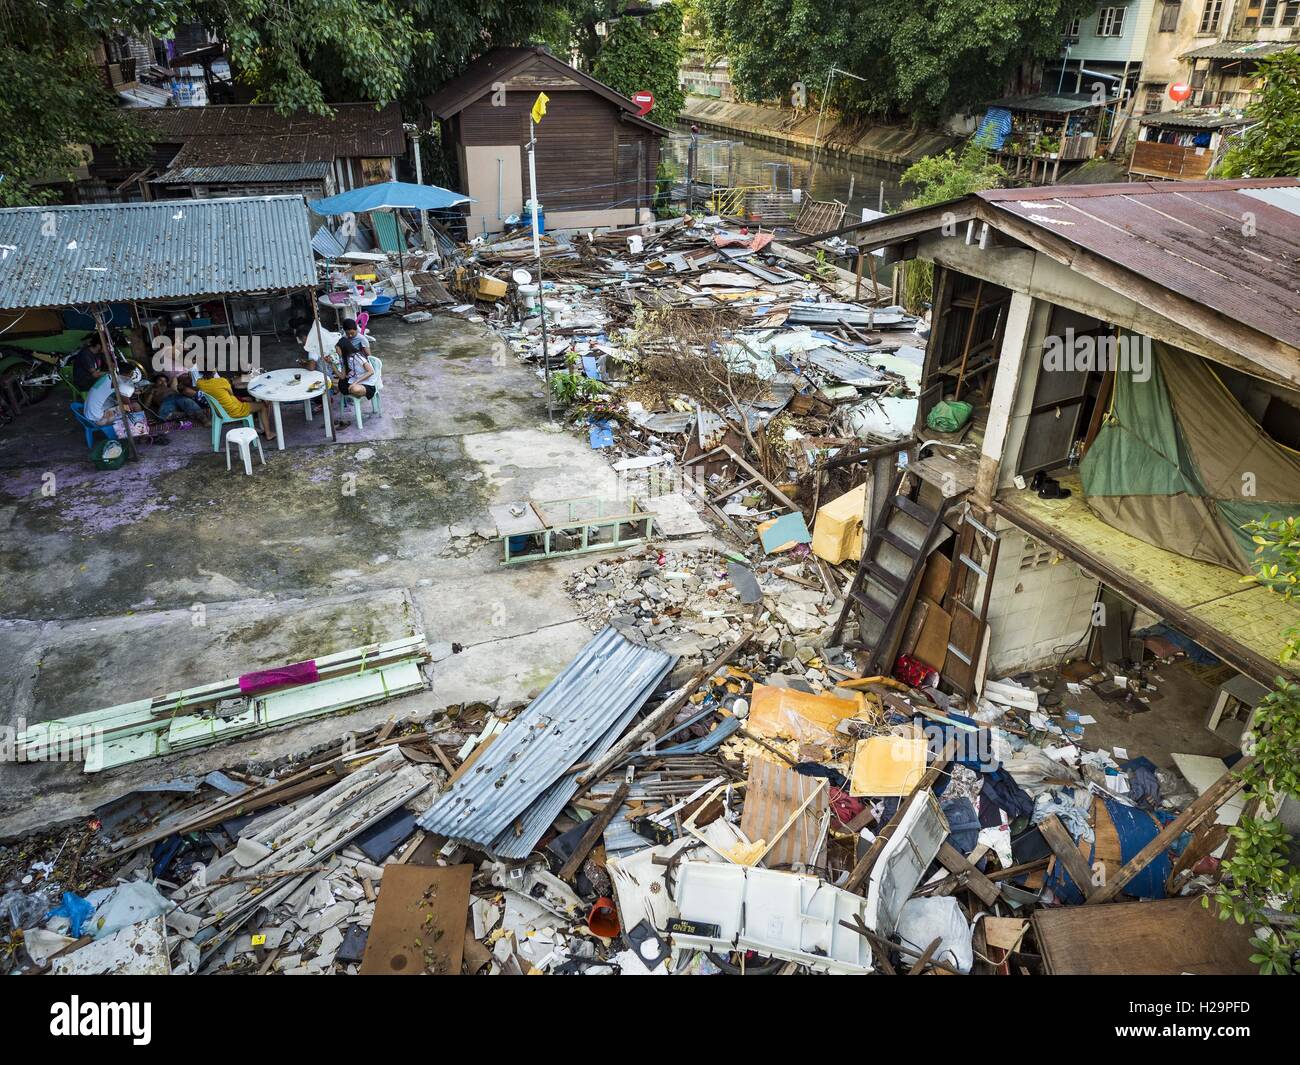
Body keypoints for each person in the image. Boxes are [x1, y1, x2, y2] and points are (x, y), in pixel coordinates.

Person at [197, 369, 275, 441]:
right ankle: (268, 434)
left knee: (249, 399)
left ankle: (252, 427)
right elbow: (231, 393)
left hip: (219, 411)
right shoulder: (222, 381)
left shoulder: (199, 383)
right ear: (214, 371)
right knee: (262, 406)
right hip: (233, 410)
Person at [336, 329, 376, 405]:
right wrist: (331, 364)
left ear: (343, 349)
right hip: (355, 380)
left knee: (354, 388)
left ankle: (353, 391)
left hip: (367, 383)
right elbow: (342, 376)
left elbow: (371, 371)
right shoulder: (345, 359)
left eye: (337, 349)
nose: (336, 352)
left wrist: (355, 382)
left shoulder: (357, 356)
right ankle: (351, 390)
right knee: (339, 384)